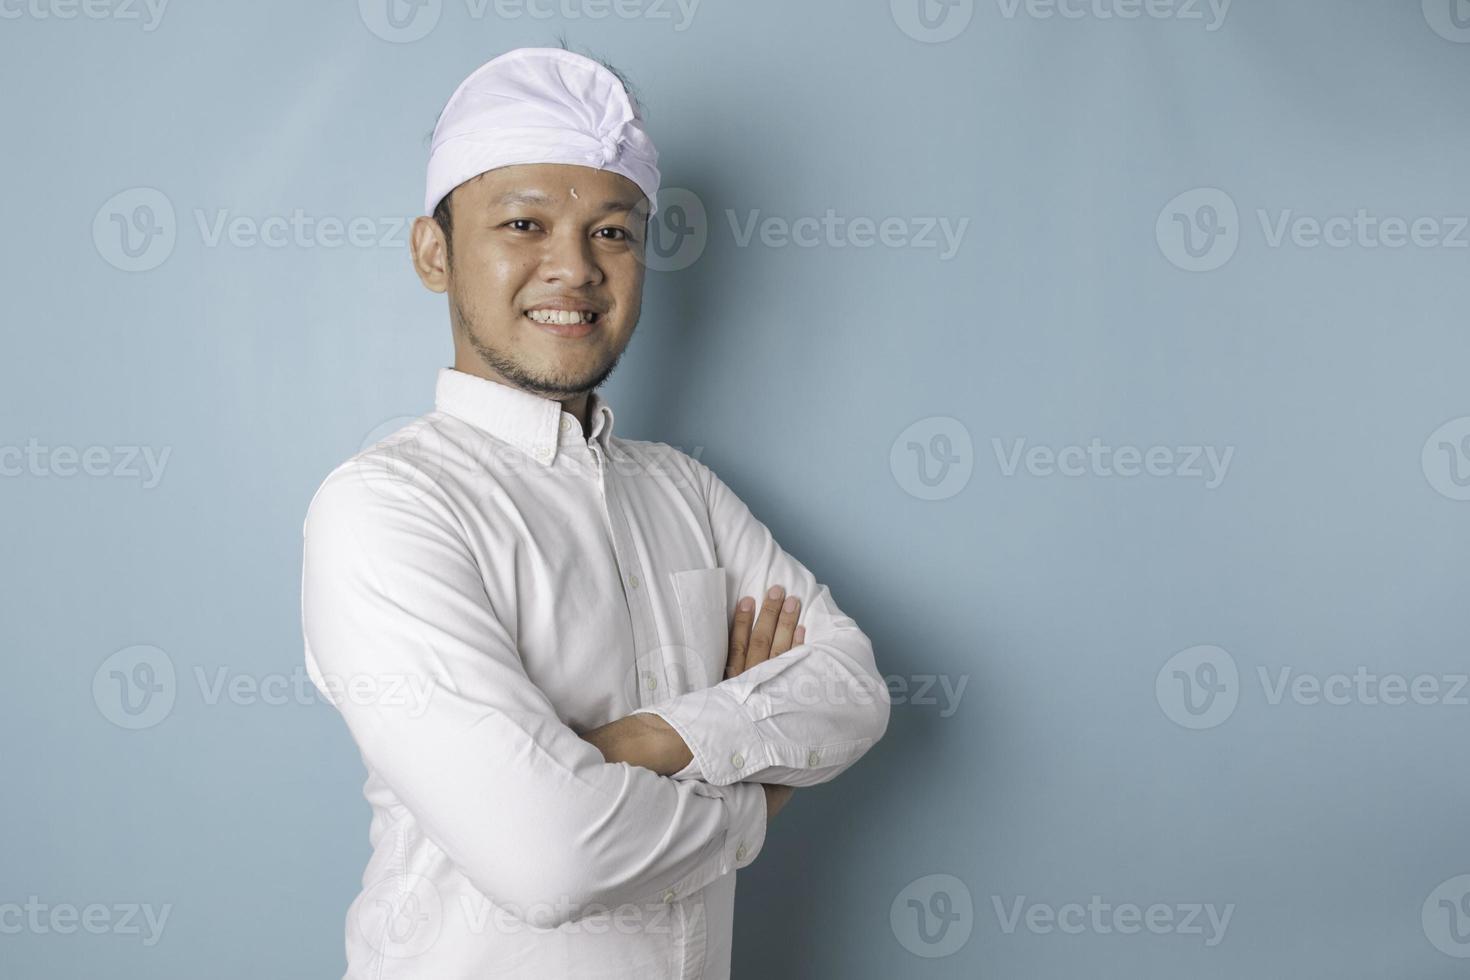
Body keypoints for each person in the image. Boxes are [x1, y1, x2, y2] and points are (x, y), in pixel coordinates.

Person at [300, 44, 890, 979]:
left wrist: (645, 741)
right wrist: (754, 791)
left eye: (612, 232)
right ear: (433, 253)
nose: (571, 269)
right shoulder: (387, 509)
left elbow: (855, 690)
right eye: (524, 223)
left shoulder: (684, 490)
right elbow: (549, 858)